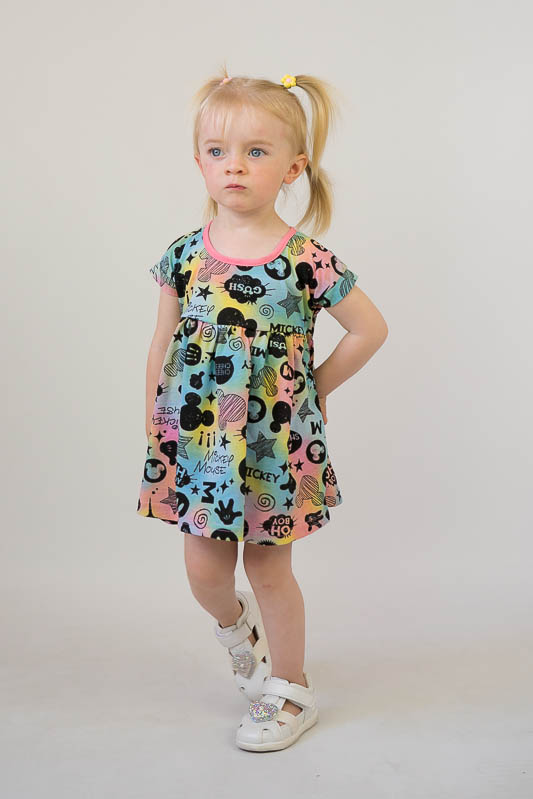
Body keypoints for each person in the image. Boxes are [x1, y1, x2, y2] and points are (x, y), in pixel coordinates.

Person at [136, 68, 388, 751]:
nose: (234, 166)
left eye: (255, 151)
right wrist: (156, 420)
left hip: (276, 445)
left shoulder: (305, 259)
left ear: (292, 168)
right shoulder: (184, 255)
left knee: (269, 568)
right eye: (217, 151)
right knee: (203, 569)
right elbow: (161, 343)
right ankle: (233, 625)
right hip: (198, 442)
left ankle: (291, 688)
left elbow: (369, 329)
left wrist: (317, 388)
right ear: (199, 162)